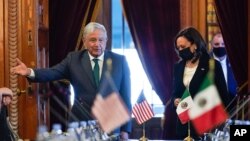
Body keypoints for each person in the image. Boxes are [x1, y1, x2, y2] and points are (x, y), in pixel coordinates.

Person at [10, 22, 132, 140]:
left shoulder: (119, 61)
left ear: (106, 41)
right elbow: (52, 72)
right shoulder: (73, 59)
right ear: (84, 41)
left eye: (101, 40)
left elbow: (126, 98)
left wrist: (125, 130)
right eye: (93, 40)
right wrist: (29, 72)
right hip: (80, 124)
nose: (97, 44)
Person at [172, 27, 231, 140]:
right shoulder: (178, 67)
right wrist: (175, 100)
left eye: (183, 47)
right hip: (184, 127)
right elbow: (175, 92)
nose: (180, 50)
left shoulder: (212, 65)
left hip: (207, 127)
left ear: (194, 45)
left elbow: (223, 97)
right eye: (178, 48)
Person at [210, 33, 238, 113]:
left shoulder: (234, 62)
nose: (220, 46)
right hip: (212, 108)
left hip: (232, 107)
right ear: (212, 45)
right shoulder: (205, 61)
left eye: (223, 44)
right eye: (217, 44)